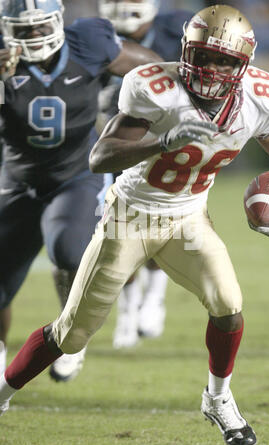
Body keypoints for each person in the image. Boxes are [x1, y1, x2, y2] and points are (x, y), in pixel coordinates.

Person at [1, 4, 269, 445]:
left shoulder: (261, 96)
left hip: (187, 218)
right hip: (129, 217)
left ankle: (218, 399)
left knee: (229, 304)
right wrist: (162, 141)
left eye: (223, 60)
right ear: (185, 51)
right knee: (72, 332)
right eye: (202, 56)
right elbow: (99, 157)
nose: (211, 69)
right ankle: (3, 394)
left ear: (243, 64)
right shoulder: (157, 88)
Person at [0, 0, 161, 381]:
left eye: (41, 27)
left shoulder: (88, 43)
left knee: (68, 249)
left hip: (75, 174)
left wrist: (141, 112)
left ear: (57, 22)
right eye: (25, 29)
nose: (35, 36)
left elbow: (155, 74)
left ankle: (69, 332)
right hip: (16, 180)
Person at [97, 0, 194, 349]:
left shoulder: (178, 31)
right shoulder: (98, 37)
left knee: (158, 223)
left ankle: (154, 294)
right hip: (115, 142)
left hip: (166, 143)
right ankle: (127, 308)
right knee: (117, 230)